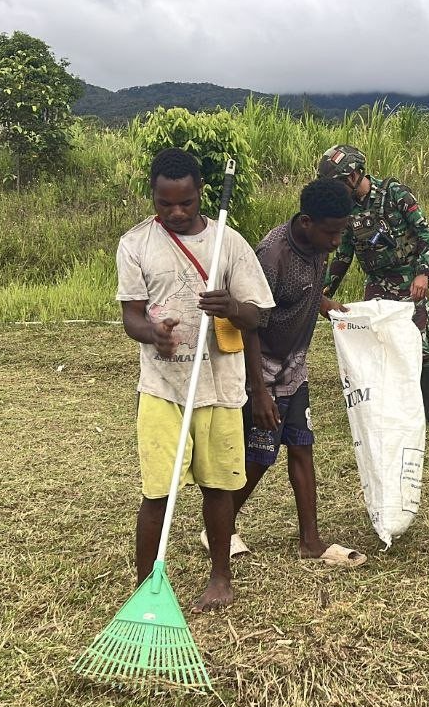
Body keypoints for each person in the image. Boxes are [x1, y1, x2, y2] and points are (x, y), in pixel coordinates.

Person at [114, 147, 275, 612]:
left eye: (186, 202)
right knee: (157, 493)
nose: (177, 213)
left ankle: (220, 576)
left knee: (219, 487)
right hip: (163, 389)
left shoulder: (231, 243)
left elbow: (258, 314)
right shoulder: (136, 244)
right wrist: (153, 335)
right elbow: (131, 317)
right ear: (153, 197)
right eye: (166, 204)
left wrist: (232, 308)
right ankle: (147, 587)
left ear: (201, 193)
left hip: (221, 387)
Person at [228, 178, 368, 568]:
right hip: (264, 372)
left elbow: (303, 291)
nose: (337, 241)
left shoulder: (318, 244)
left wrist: (325, 305)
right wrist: (258, 391)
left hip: (296, 368)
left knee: (302, 447)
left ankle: (311, 541)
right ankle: (220, 526)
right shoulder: (272, 256)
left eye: (342, 231)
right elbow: (251, 321)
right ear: (306, 222)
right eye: (332, 232)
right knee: (260, 456)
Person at [317, 144, 429, 430]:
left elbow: (424, 233)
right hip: (377, 285)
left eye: (340, 183)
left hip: (408, 280)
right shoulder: (346, 210)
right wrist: (324, 291)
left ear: (354, 175)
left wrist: (423, 274)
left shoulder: (394, 194)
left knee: (423, 344)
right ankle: (388, 405)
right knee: (378, 343)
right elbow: (344, 254)